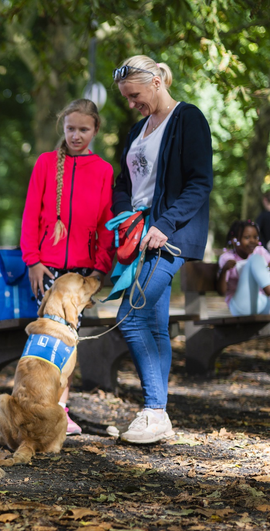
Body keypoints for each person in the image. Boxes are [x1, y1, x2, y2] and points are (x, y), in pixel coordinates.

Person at [111, 56, 212, 443]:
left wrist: (162, 225)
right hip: (138, 234)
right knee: (152, 324)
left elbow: (199, 184)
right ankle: (158, 414)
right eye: (127, 98)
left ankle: (154, 411)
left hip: (168, 237)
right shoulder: (138, 129)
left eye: (135, 95)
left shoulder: (188, 119)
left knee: (130, 317)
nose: (132, 103)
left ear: (155, 82)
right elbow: (125, 183)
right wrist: (126, 216)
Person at [20, 98, 115, 436]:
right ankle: (32, 408)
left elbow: (107, 224)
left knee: (68, 345)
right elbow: (31, 214)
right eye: (71, 128)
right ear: (63, 127)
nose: (76, 135)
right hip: (45, 270)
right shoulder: (46, 163)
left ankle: (61, 410)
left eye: (84, 129)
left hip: (81, 274)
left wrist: (100, 269)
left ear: (95, 130)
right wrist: (32, 260)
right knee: (45, 344)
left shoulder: (104, 170)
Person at [217, 219, 270, 315]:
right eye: (247, 237)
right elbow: (221, 292)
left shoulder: (260, 251)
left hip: (261, 303)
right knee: (255, 258)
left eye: (255, 237)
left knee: (256, 257)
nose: (253, 241)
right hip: (240, 306)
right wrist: (224, 270)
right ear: (234, 240)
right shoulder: (227, 258)